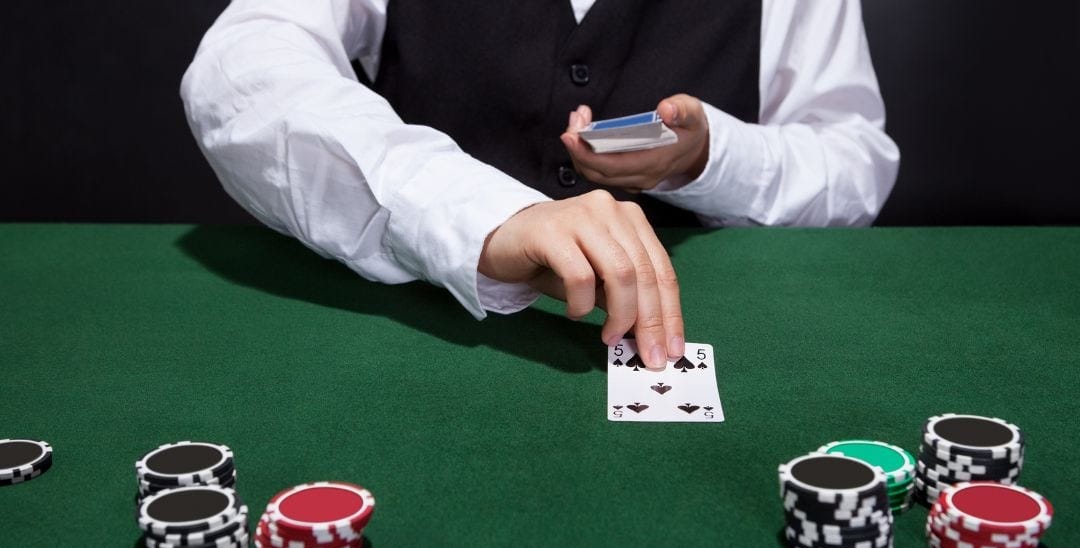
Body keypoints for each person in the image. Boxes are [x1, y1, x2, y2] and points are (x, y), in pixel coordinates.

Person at [181, 0, 899, 370]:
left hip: (727, 328)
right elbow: (239, 73)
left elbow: (856, 163)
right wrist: (485, 216)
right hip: (416, 335)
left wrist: (707, 159)